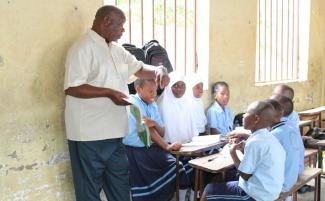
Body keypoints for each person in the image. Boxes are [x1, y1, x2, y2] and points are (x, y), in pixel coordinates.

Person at [64, 5, 170, 201]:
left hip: (115, 134)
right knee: (89, 191)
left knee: (120, 188)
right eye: (121, 26)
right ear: (106, 21)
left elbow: (139, 68)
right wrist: (108, 93)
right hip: (89, 135)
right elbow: (72, 87)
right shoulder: (82, 48)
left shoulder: (116, 50)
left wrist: (158, 70)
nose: (123, 31)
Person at [201, 101, 286, 201]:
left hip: (256, 195)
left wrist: (233, 153)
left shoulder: (254, 141)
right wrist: (243, 150)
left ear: (256, 119)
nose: (243, 116)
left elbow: (245, 175)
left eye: (247, 113)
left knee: (208, 190)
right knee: (228, 179)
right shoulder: (269, 137)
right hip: (271, 191)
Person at [122, 78, 191, 201]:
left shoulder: (152, 104)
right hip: (136, 150)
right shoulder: (133, 103)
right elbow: (147, 131)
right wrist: (167, 146)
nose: (154, 94)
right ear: (138, 89)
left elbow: (162, 131)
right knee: (174, 167)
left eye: (155, 91)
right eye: (150, 91)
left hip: (151, 146)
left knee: (182, 164)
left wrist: (153, 122)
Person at [158, 71, 198, 200]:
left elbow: (192, 130)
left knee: (198, 166)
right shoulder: (163, 103)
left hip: (187, 146)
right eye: (176, 85)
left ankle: (191, 196)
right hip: (168, 148)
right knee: (183, 170)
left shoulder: (187, 103)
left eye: (183, 86)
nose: (180, 89)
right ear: (169, 87)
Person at [266, 99, 300, 193]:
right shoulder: (290, 129)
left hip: (280, 185)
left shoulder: (273, 135)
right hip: (291, 179)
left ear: (268, 116)